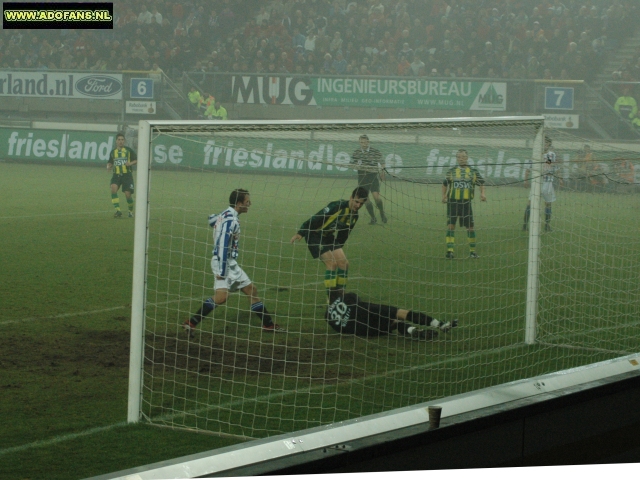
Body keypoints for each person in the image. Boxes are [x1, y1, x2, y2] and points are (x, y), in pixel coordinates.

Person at [183, 189, 284, 337]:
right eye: (247, 202)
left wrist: (216, 221)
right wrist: (222, 272)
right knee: (222, 297)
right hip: (223, 262)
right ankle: (191, 323)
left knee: (251, 290)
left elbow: (212, 219)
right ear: (238, 204)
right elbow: (223, 246)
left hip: (229, 262)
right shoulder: (231, 220)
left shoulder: (226, 214)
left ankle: (268, 324)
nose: (249, 204)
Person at [291, 187, 368, 302]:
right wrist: (301, 232)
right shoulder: (336, 206)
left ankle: (341, 296)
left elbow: (344, 234)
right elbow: (317, 217)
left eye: (361, 204)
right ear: (351, 198)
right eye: (356, 201)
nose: (358, 205)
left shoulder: (354, 216)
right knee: (332, 264)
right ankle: (331, 299)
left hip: (328, 237)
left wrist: (338, 249)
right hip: (315, 235)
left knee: (344, 263)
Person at [326, 292, 458, 340]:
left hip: (361, 330)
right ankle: (440, 325)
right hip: (364, 310)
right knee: (400, 314)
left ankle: (413, 331)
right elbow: (356, 298)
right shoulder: (346, 297)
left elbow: (341, 330)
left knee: (392, 324)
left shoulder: (328, 317)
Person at [442, 149, 486, 259]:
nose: (461, 159)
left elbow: (481, 183)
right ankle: (450, 251)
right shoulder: (451, 171)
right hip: (453, 202)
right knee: (451, 226)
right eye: (459, 157)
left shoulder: (473, 171)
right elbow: (444, 184)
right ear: (457, 159)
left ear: (467, 158)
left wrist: (483, 194)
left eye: (463, 157)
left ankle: (472, 252)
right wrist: (444, 196)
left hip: (466, 202)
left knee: (470, 227)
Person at [351, 135, 387, 224]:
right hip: (362, 178)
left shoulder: (375, 151)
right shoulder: (357, 152)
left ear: (368, 142)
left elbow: (382, 162)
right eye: (361, 142)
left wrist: (383, 172)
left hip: (373, 177)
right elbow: (352, 164)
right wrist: (356, 165)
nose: (363, 144)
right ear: (359, 143)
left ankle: (382, 213)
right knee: (366, 200)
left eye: (365, 142)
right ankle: (373, 218)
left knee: (377, 198)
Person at [523, 137, 556, 232]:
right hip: (536, 182)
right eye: (544, 143)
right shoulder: (535, 154)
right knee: (530, 203)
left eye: (547, 143)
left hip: (547, 182)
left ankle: (547, 225)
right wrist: (525, 180)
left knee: (548, 204)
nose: (545, 145)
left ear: (549, 145)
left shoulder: (551, 155)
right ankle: (525, 225)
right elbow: (528, 168)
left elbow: (549, 165)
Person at [106, 132, 137, 218]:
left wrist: (130, 163)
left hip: (127, 175)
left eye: (122, 140)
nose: (121, 141)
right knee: (113, 189)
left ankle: (130, 212)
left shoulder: (128, 150)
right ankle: (118, 211)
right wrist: (108, 166)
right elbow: (110, 162)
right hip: (116, 175)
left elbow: (136, 160)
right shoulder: (113, 152)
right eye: (119, 140)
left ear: (124, 141)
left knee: (128, 194)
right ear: (116, 141)